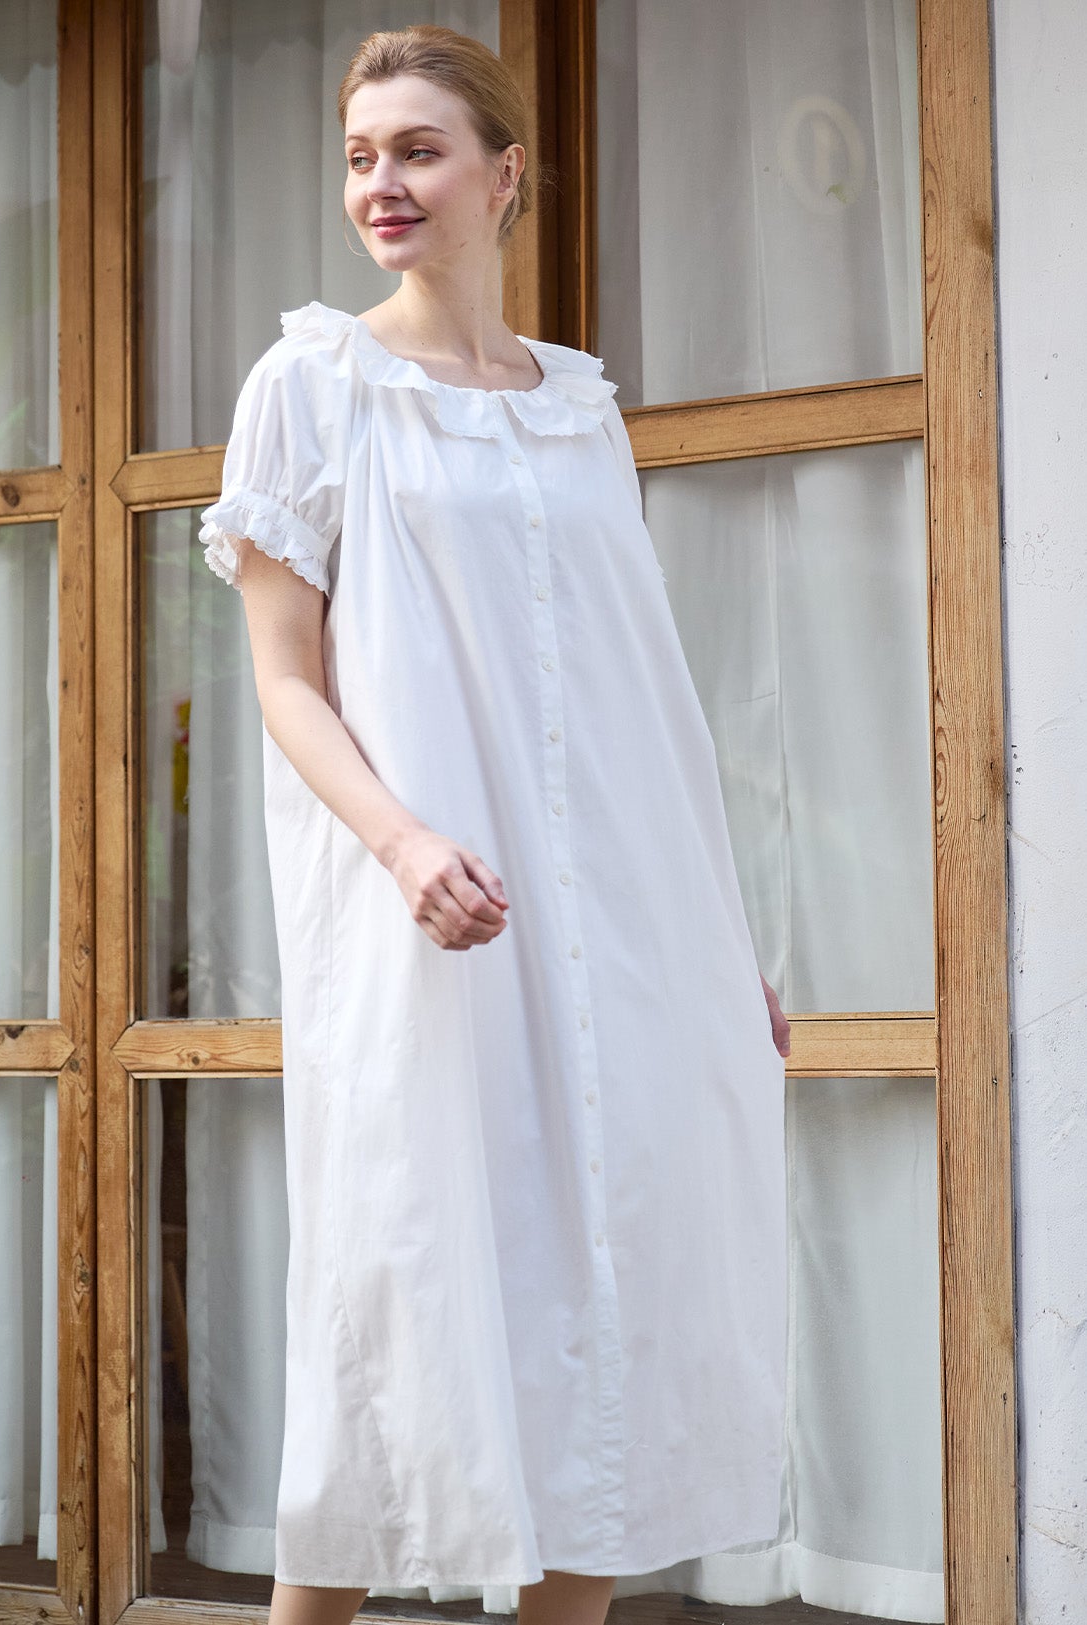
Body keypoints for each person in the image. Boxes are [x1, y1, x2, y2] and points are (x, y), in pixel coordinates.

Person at [197, 24, 791, 1625]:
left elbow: (643, 700)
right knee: (391, 1300)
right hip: (424, 915)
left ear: (504, 174)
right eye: (357, 154)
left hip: (622, 925)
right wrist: (400, 844)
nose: (377, 182)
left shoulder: (576, 404)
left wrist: (721, 945)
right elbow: (285, 679)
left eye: (415, 149)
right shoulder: (309, 384)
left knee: (610, 1286)